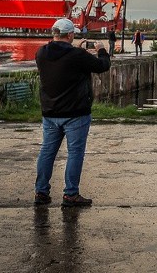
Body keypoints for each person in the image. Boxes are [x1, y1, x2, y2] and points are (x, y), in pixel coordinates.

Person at [34, 18, 110, 208]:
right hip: (76, 112)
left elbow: (64, 61)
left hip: (50, 112)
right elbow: (102, 66)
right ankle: (71, 194)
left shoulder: (41, 52)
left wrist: (79, 50)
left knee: (47, 152)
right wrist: (101, 49)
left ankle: (41, 192)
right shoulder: (76, 55)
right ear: (70, 35)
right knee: (75, 153)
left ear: (54, 33)